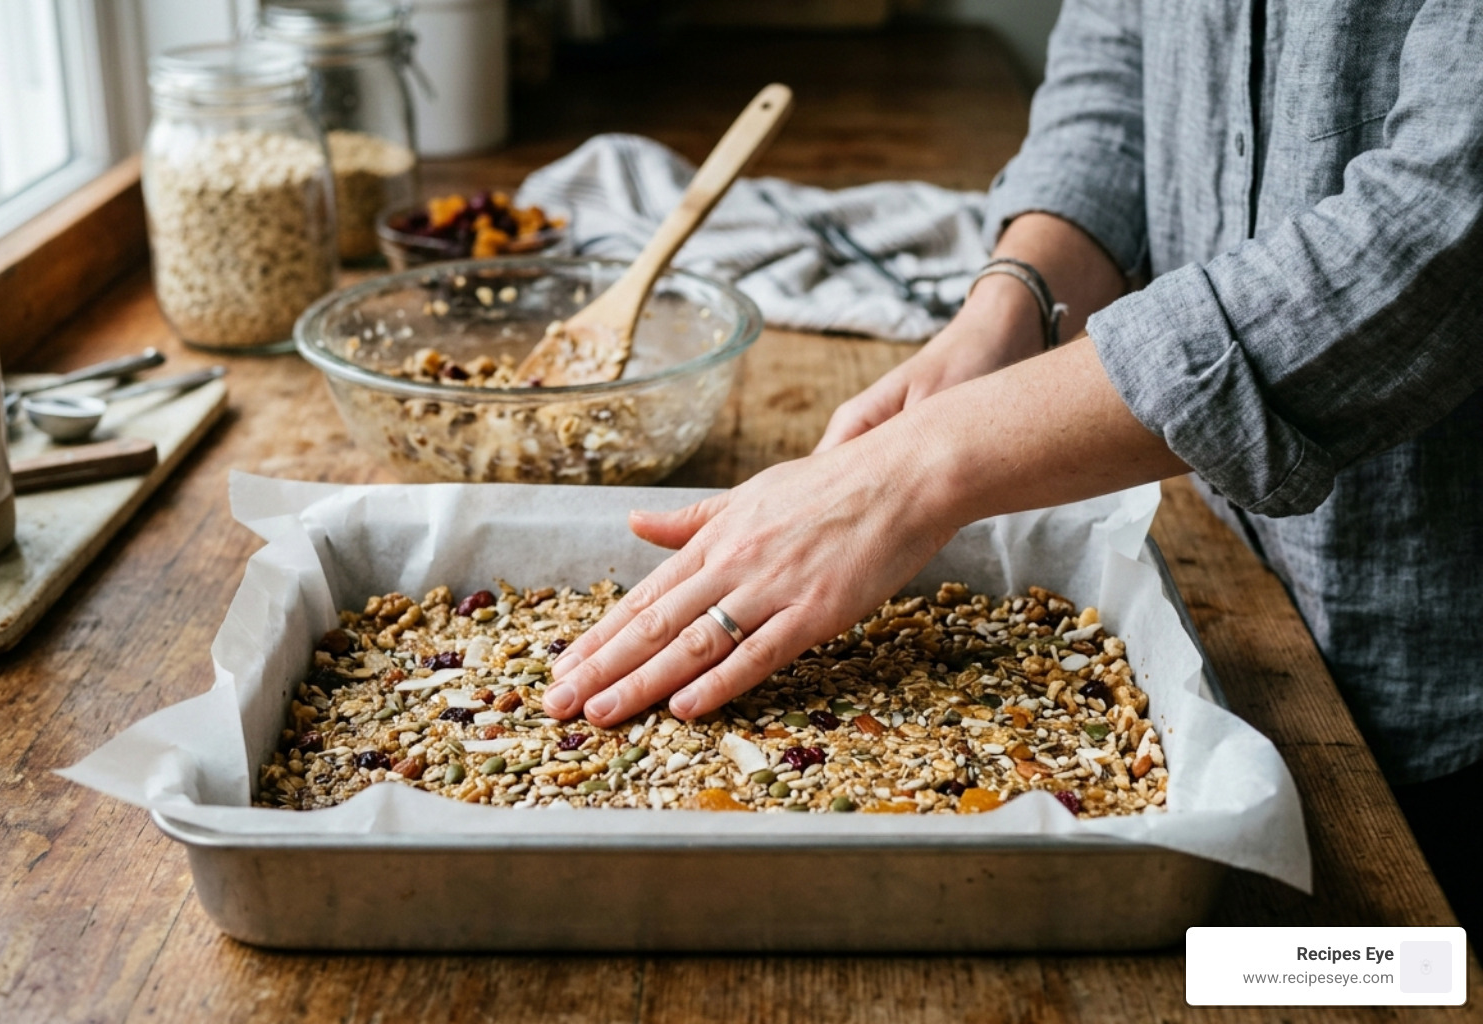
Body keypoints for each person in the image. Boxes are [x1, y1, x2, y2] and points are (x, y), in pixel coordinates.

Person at [543, 0, 1482, 930]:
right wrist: (1017, 300)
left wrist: (923, 465)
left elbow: (1437, 230)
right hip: (1224, 568)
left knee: (1367, 982)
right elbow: (1116, 70)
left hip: (1430, 665)